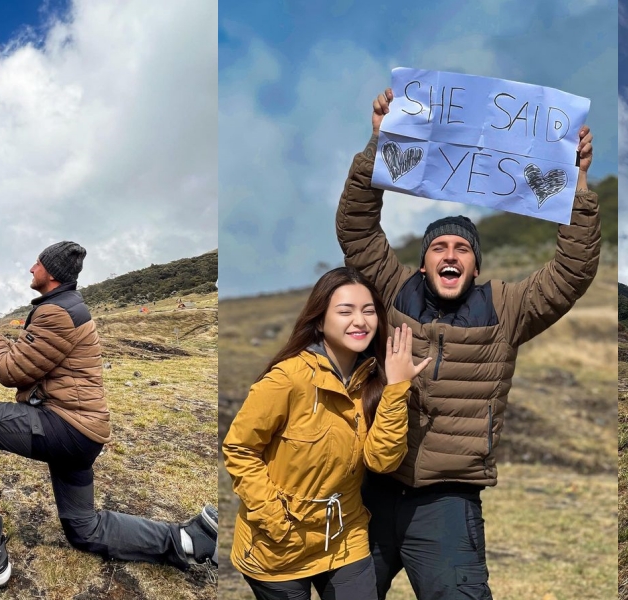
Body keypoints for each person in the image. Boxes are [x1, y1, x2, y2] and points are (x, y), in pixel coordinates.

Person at [336, 88, 601, 598]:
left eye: (462, 248)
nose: (450, 254)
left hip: (448, 505)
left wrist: (578, 182)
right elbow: (357, 229)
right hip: (370, 490)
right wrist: (379, 142)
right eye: (439, 246)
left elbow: (572, 270)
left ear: (476, 265)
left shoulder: (508, 307)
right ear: (423, 261)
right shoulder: (393, 292)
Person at [0, 241, 218, 590]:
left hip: (67, 428)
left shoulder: (56, 313)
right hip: (82, 431)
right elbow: (26, 359)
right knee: (84, 529)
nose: (31, 268)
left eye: (37, 263)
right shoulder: (65, 307)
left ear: (50, 272)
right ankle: (189, 538)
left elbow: (10, 371)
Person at [223, 267, 430, 599]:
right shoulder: (288, 379)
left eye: (368, 310)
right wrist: (277, 522)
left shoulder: (375, 381)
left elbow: (382, 462)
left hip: (345, 536)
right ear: (319, 320)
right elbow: (240, 449)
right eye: (345, 311)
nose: (360, 321)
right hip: (280, 545)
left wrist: (396, 388)